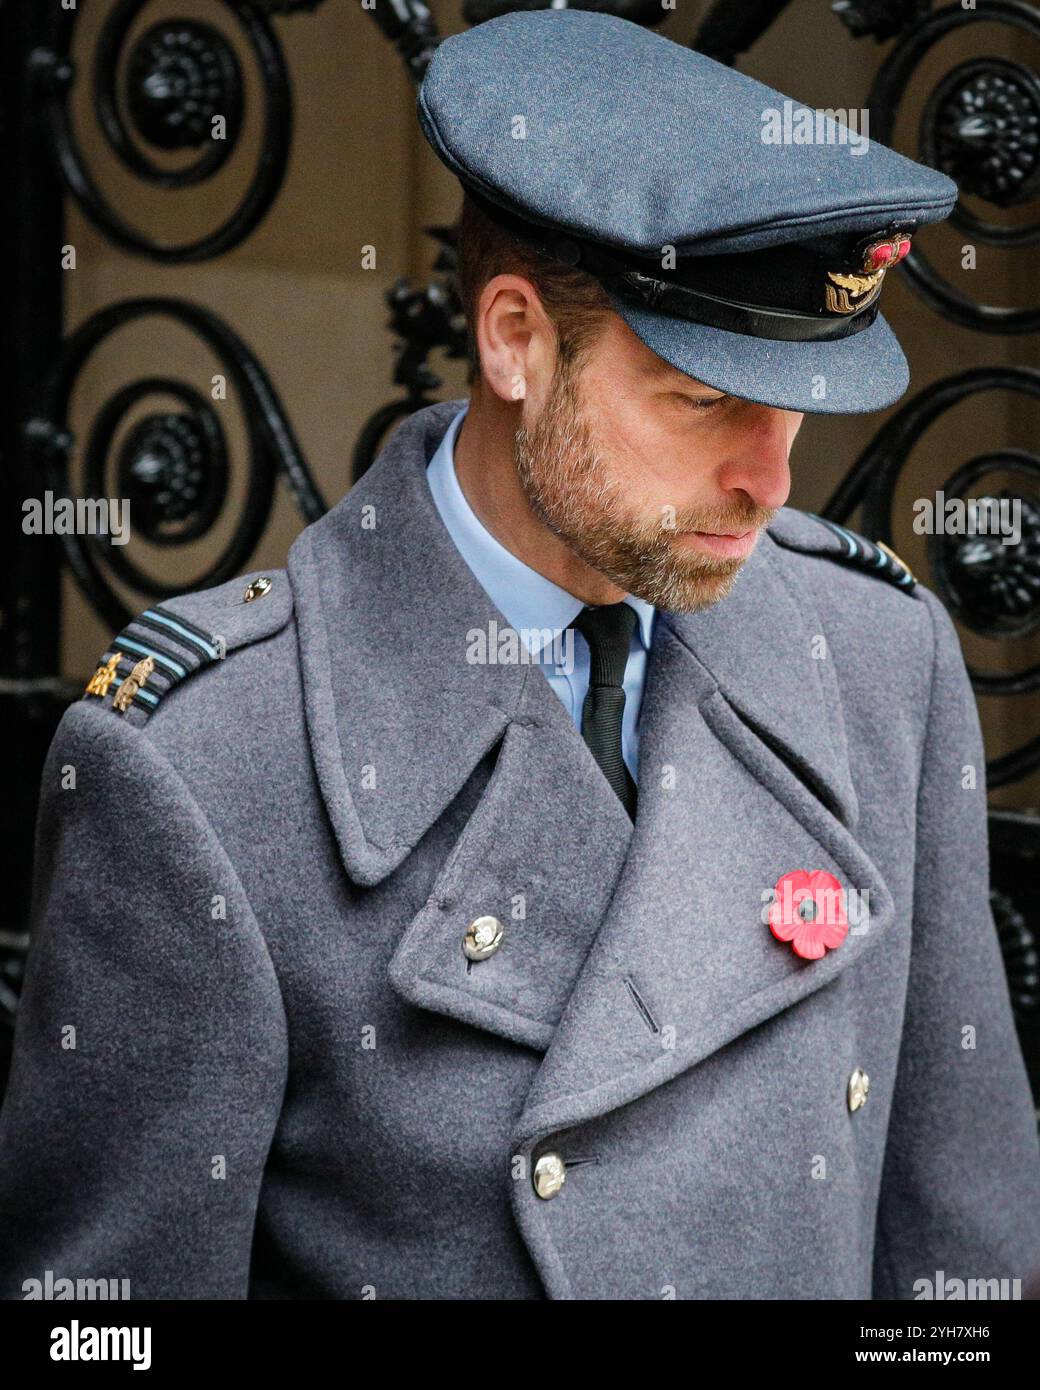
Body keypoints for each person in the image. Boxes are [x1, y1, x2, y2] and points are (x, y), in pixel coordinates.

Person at [1, 9, 1038, 1301]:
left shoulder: (886, 663)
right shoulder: (204, 768)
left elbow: (966, 1283)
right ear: (514, 341)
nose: (770, 481)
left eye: (796, 408)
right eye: (705, 400)